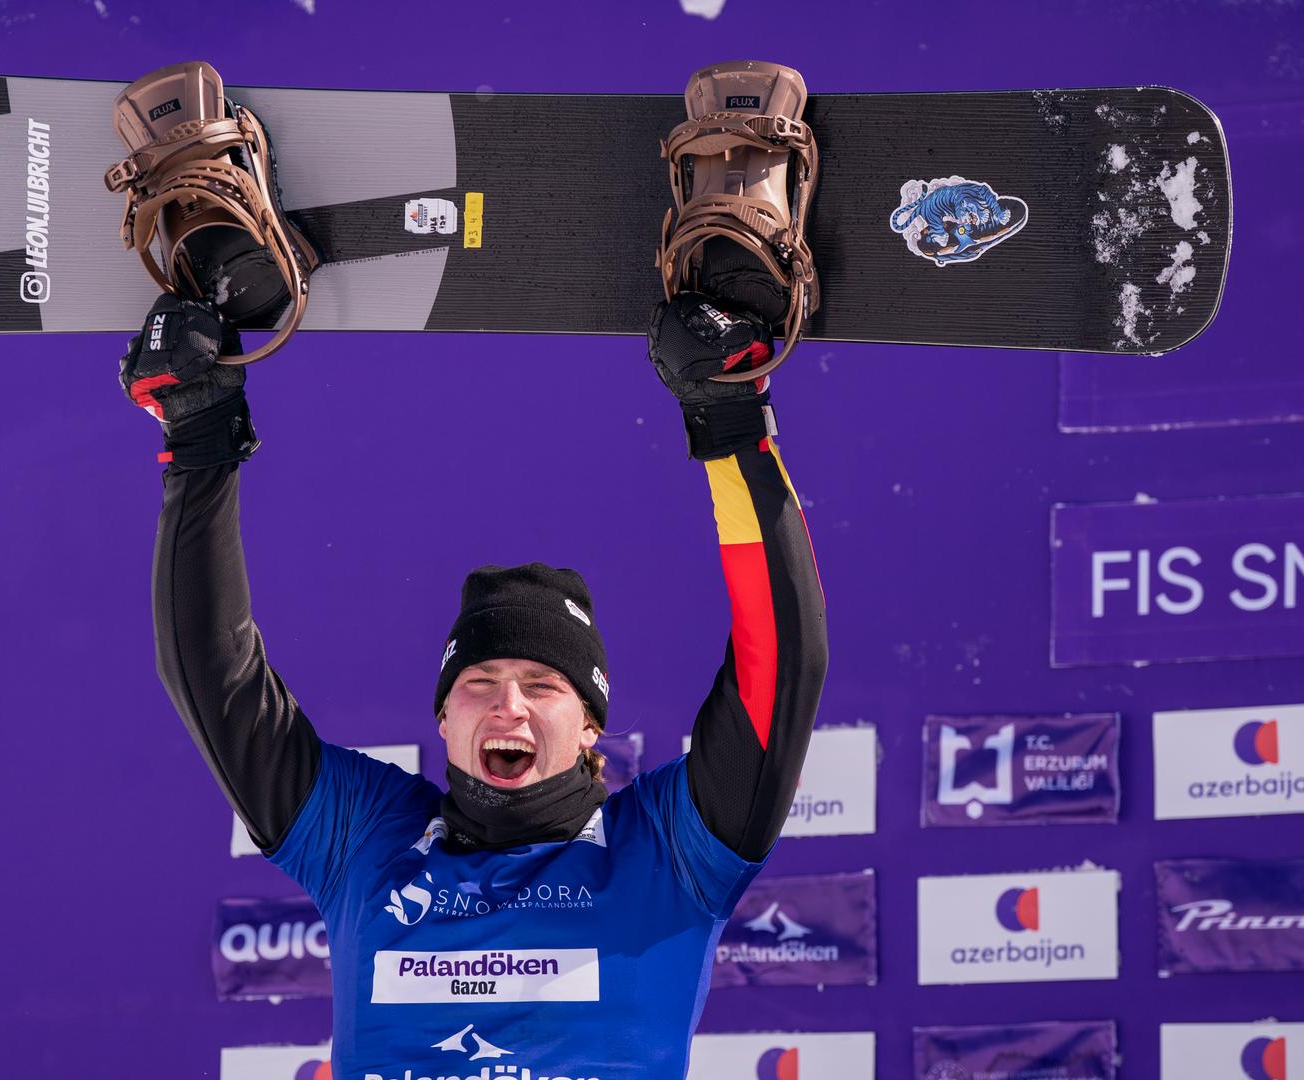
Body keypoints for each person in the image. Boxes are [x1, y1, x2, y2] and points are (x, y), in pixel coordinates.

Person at [120, 289, 826, 1079]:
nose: (508, 704)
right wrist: (198, 437)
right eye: (480, 680)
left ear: (593, 724)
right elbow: (215, 681)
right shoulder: (367, 840)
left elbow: (781, 666)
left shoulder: (668, 853)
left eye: (542, 683)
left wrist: (731, 426)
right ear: (443, 718)